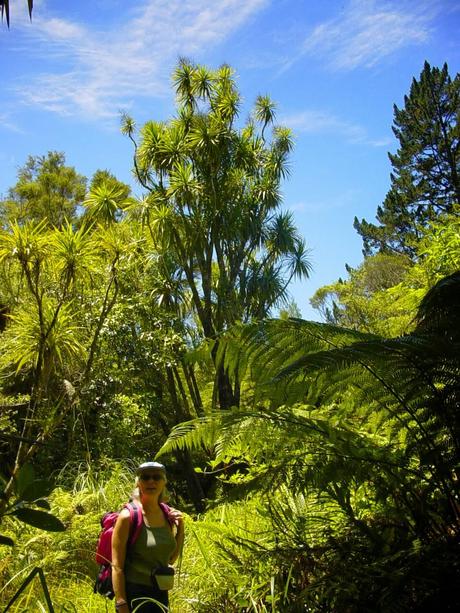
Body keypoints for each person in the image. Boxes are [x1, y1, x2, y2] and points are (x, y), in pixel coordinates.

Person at [112, 462, 184, 612]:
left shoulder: (167, 514)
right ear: (138, 482)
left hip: (161, 592)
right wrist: (121, 603)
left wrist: (181, 528)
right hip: (135, 595)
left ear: (164, 482)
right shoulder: (127, 517)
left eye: (157, 477)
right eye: (145, 477)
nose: (151, 481)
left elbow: (170, 559)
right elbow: (117, 566)